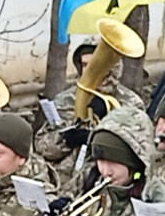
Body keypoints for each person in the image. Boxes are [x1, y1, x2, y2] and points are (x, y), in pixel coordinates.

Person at [35, 45, 146, 185]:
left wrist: (107, 121)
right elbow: (41, 146)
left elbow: (141, 150)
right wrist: (65, 140)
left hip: (107, 179)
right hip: (63, 181)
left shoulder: (131, 102)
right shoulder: (66, 99)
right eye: (84, 65)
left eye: (94, 64)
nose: (88, 70)